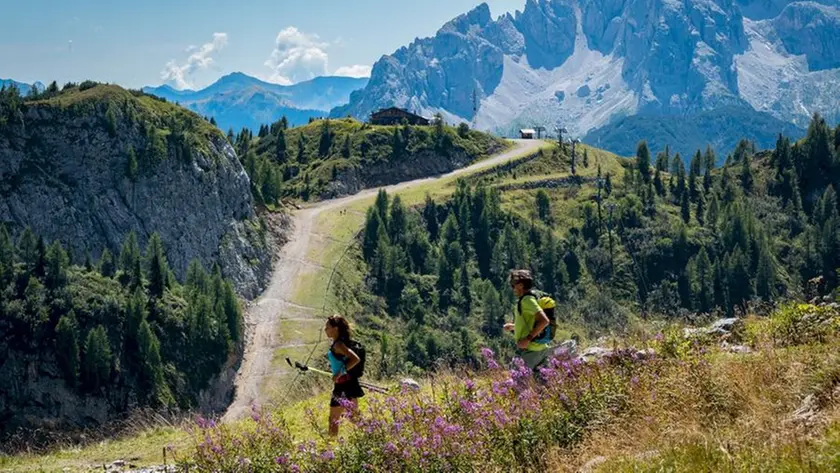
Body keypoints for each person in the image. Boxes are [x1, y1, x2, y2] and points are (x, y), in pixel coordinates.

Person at [503, 269, 552, 372]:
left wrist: (527, 339)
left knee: (519, 383)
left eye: (513, 284)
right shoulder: (533, 297)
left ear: (521, 285)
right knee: (540, 385)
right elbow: (531, 322)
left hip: (531, 350)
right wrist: (513, 326)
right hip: (541, 348)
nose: (513, 288)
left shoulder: (527, 300)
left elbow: (544, 321)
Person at [324, 315, 364, 436]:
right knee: (353, 418)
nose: (325, 330)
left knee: (334, 419)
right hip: (347, 384)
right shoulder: (339, 343)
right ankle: (373, 434)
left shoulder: (338, 345)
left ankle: (331, 447)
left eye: (327, 327)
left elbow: (355, 359)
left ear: (335, 328)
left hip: (344, 385)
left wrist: (340, 373)